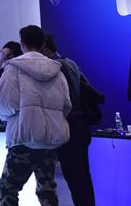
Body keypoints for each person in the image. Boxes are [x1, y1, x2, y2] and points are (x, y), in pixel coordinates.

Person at [0, 25, 71, 206]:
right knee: (47, 190)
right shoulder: (57, 71)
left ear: (22, 43)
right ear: (43, 44)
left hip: (24, 138)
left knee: (8, 188)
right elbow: (66, 105)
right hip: (50, 140)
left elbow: (4, 104)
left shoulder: (13, 68)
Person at [41, 34, 95, 206]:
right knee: (82, 178)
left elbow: (65, 102)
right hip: (81, 127)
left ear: (45, 49)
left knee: (76, 180)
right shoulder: (70, 63)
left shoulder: (58, 67)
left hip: (71, 129)